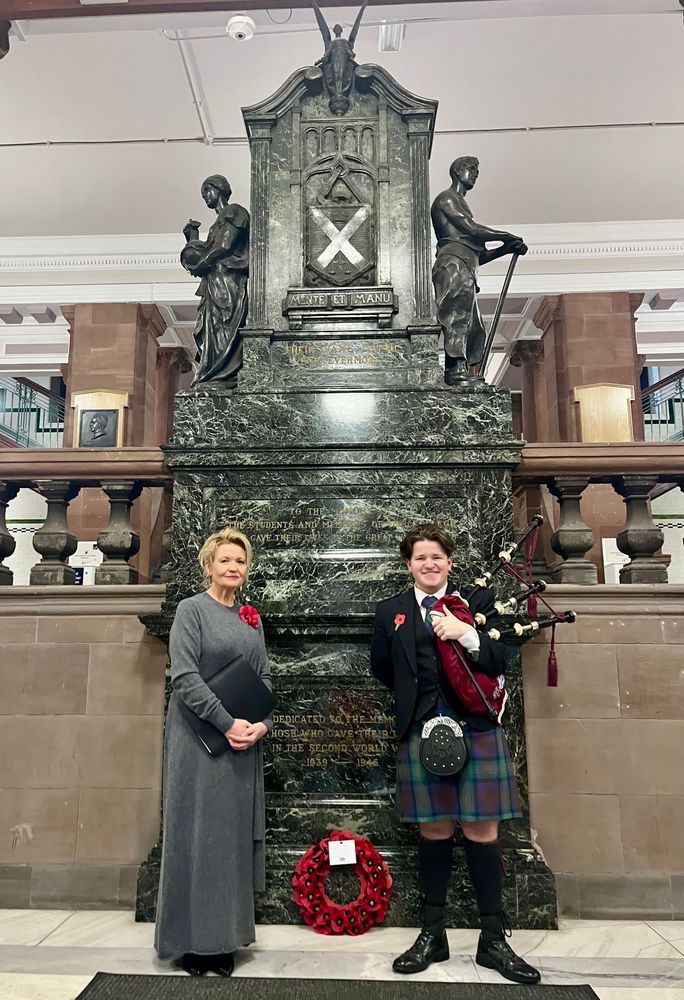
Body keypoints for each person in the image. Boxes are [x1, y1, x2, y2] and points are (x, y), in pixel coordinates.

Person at [370, 523, 540, 985]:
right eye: (420, 557)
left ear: (449, 562)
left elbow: (498, 660)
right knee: (435, 828)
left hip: (476, 726)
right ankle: (433, 933)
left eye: (437, 557)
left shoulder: (475, 605)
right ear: (409, 564)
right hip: (423, 730)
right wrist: (419, 704)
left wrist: (466, 634)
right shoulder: (392, 612)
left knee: (483, 830)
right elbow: (383, 668)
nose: (429, 564)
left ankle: (493, 939)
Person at [154, 528, 272, 976]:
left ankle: (225, 940)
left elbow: (264, 679)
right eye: (224, 560)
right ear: (208, 565)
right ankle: (192, 944)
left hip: (243, 744)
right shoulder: (191, 610)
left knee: (229, 842)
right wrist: (226, 723)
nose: (232, 568)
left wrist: (262, 724)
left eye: (239, 561)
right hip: (198, 742)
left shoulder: (250, 618)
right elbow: (184, 678)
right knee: (197, 838)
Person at [431, 157, 527, 383]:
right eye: (471, 169)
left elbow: (479, 256)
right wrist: (506, 236)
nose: (475, 174)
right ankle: (454, 371)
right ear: (457, 171)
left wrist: (506, 249)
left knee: (475, 326)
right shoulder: (446, 198)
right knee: (457, 317)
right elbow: (471, 229)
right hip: (452, 265)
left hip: (466, 266)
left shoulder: (461, 202)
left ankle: (463, 368)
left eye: (477, 170)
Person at [181, 174, 250, 387]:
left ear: (219, 189)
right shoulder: (216, 222)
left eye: (207, 192)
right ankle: (212, 372)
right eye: (203, 195)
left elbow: (224, 246)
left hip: (228, 281)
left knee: (225, 325)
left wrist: (203, 262)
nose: (206, 198)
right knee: (211, 328)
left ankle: (222, 372)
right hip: (215, 282)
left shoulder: (234, 211)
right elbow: (208, 249)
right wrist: (192, 239)